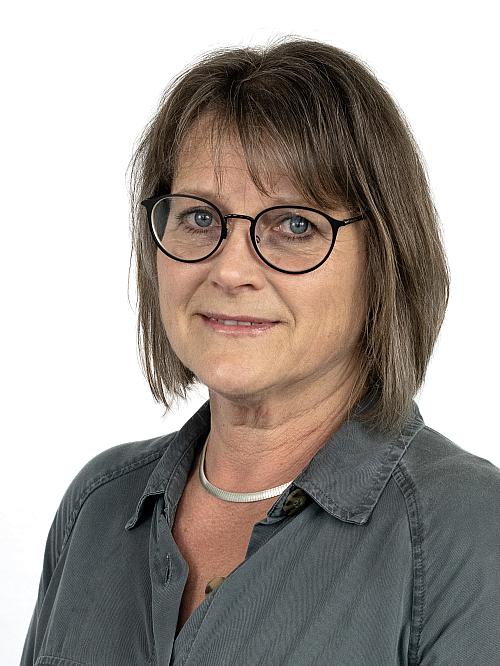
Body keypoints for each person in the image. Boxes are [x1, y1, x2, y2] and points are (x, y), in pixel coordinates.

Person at [20, 36, 500, 666]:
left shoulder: (469, 532)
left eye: (295, 225)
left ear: (385, 259)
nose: (230, 270)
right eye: (199, 218)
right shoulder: (98, 506)